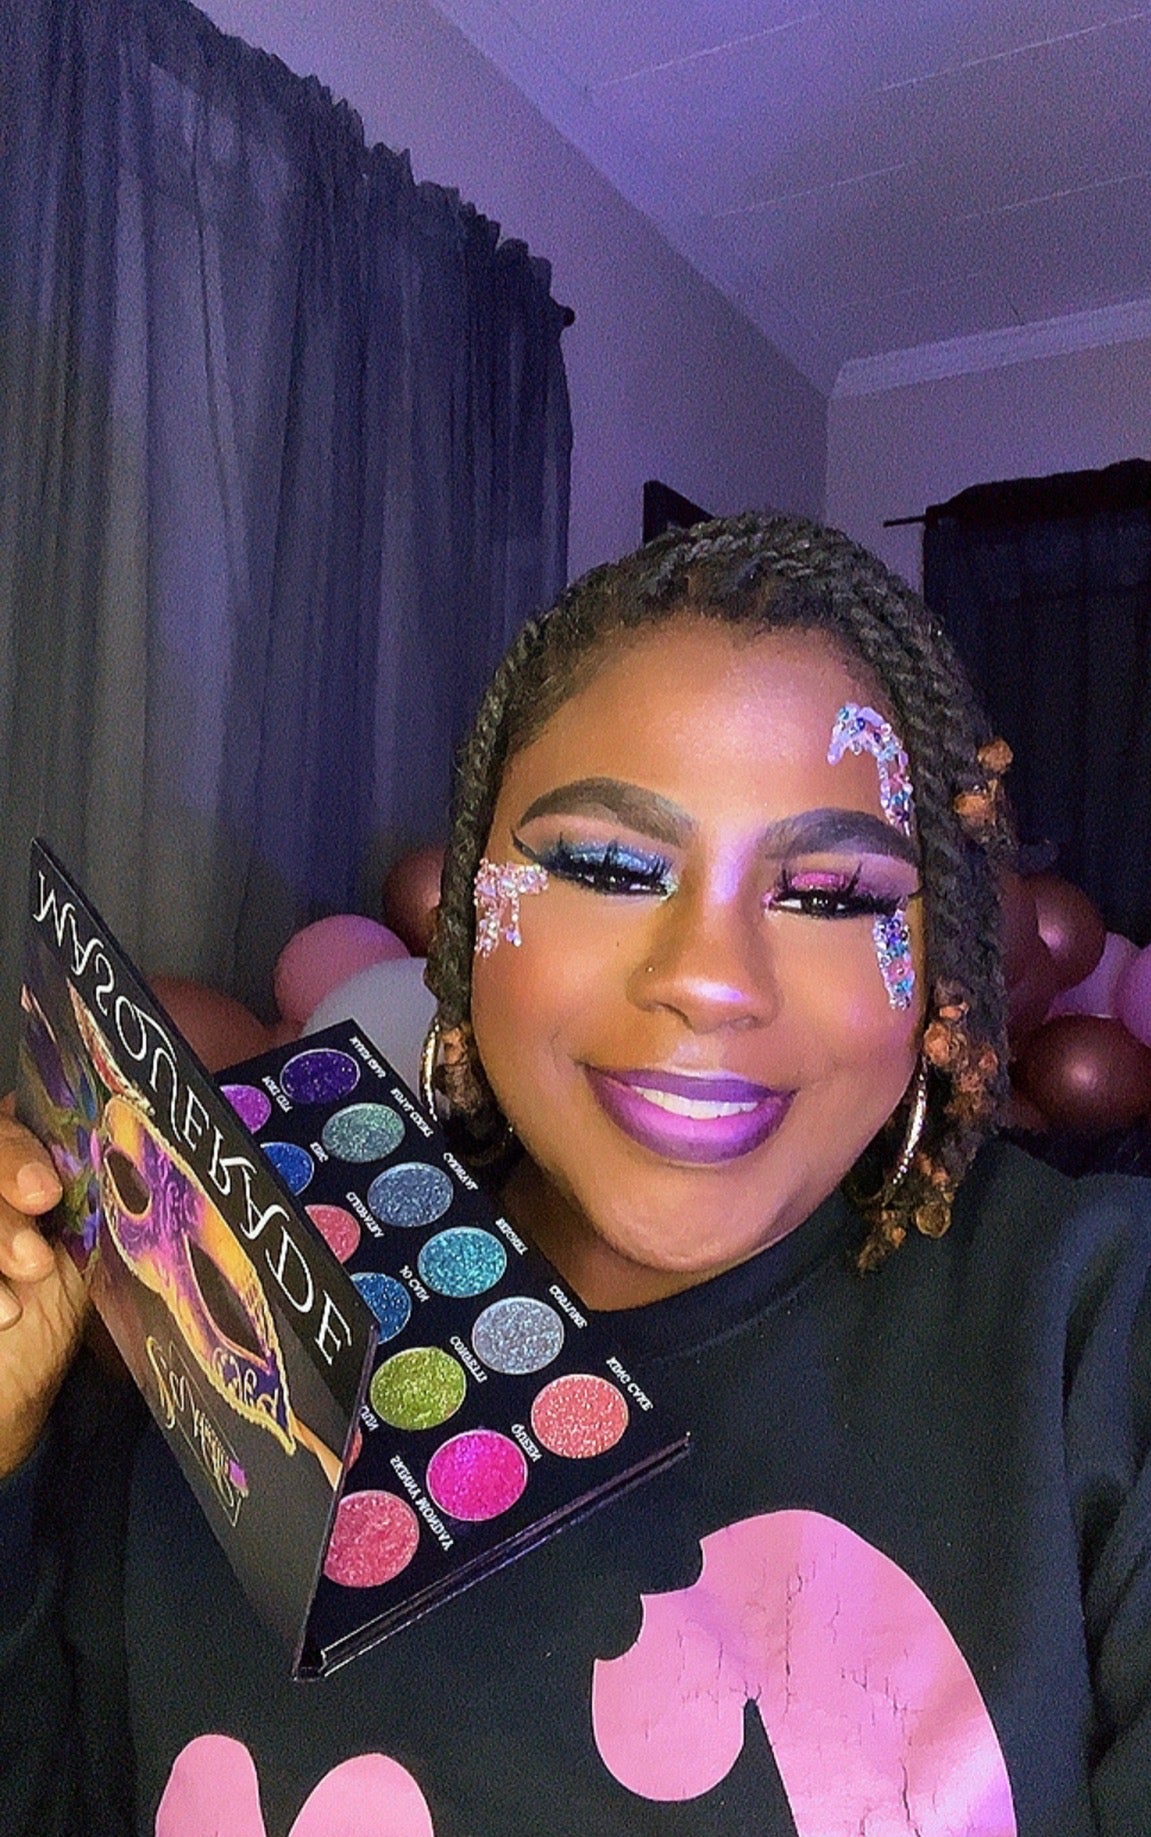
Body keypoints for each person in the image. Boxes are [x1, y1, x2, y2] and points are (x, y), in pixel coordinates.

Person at [0, 513, 1148, 1836]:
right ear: (468, 910)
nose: (710, 980)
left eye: (832, 894)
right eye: (608, 866)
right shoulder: (217, 1291)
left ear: (942, 962)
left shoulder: (1096, 1333)